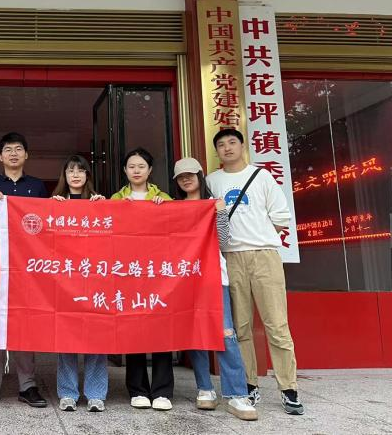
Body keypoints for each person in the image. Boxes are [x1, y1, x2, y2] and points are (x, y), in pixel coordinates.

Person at [206, 128, 304, 415]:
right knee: (241, 326)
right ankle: (249, 384)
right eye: (221, 144)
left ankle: (289, 388)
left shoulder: (262, 176)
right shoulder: (212, 181)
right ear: (217, 151)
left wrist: (259, 237)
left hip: (264, 256)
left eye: (232, 142)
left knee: (277, 324)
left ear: (242, 146)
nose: (227, 148)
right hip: (230, 258)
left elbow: (281, 217)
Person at [171, 157, 257, 421]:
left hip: (213, 277)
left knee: (226, 333)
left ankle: (237, 394)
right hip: (184, 279)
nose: (186, 179)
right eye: (180, 177)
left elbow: (223, 241)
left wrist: (220, 213)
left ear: (200, 176)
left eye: (190, 174)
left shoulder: (214, 204)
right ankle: (205, 388)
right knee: (195, 332)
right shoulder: (174, 208)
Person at [0, 132, 49, 409]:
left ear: (26, 155)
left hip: (27, 266)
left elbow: (45, 224)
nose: (13, 153)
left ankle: (27, 385)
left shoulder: (37, 186)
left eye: (18, 149)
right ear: (0, 156)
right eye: (8, 149)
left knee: (24, 322)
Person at [110, 147, 173, 411]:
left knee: (161, 329)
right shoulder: (115, 199)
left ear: (150, 170)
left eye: (141, 166)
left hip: (157, 275)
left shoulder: (164, 198)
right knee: (133, 329)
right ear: (125, 171)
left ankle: (162, 391)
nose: (136, 170)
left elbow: (176, 232)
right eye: (131, 166)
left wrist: (164, 209)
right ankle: (137, 390)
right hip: (128, 274)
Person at [51, 154, 107, 413]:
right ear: (64, 175)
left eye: (80, 170)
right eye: (70, 170)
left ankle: (96, 394)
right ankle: (67, 393)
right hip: (64, 281)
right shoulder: (55, 202)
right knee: (66, 338)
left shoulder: (99, 202)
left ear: (87, 175)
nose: (75, 175)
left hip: (94, 280)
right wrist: (49, 208)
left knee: (96, 337)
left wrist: (105, 207)